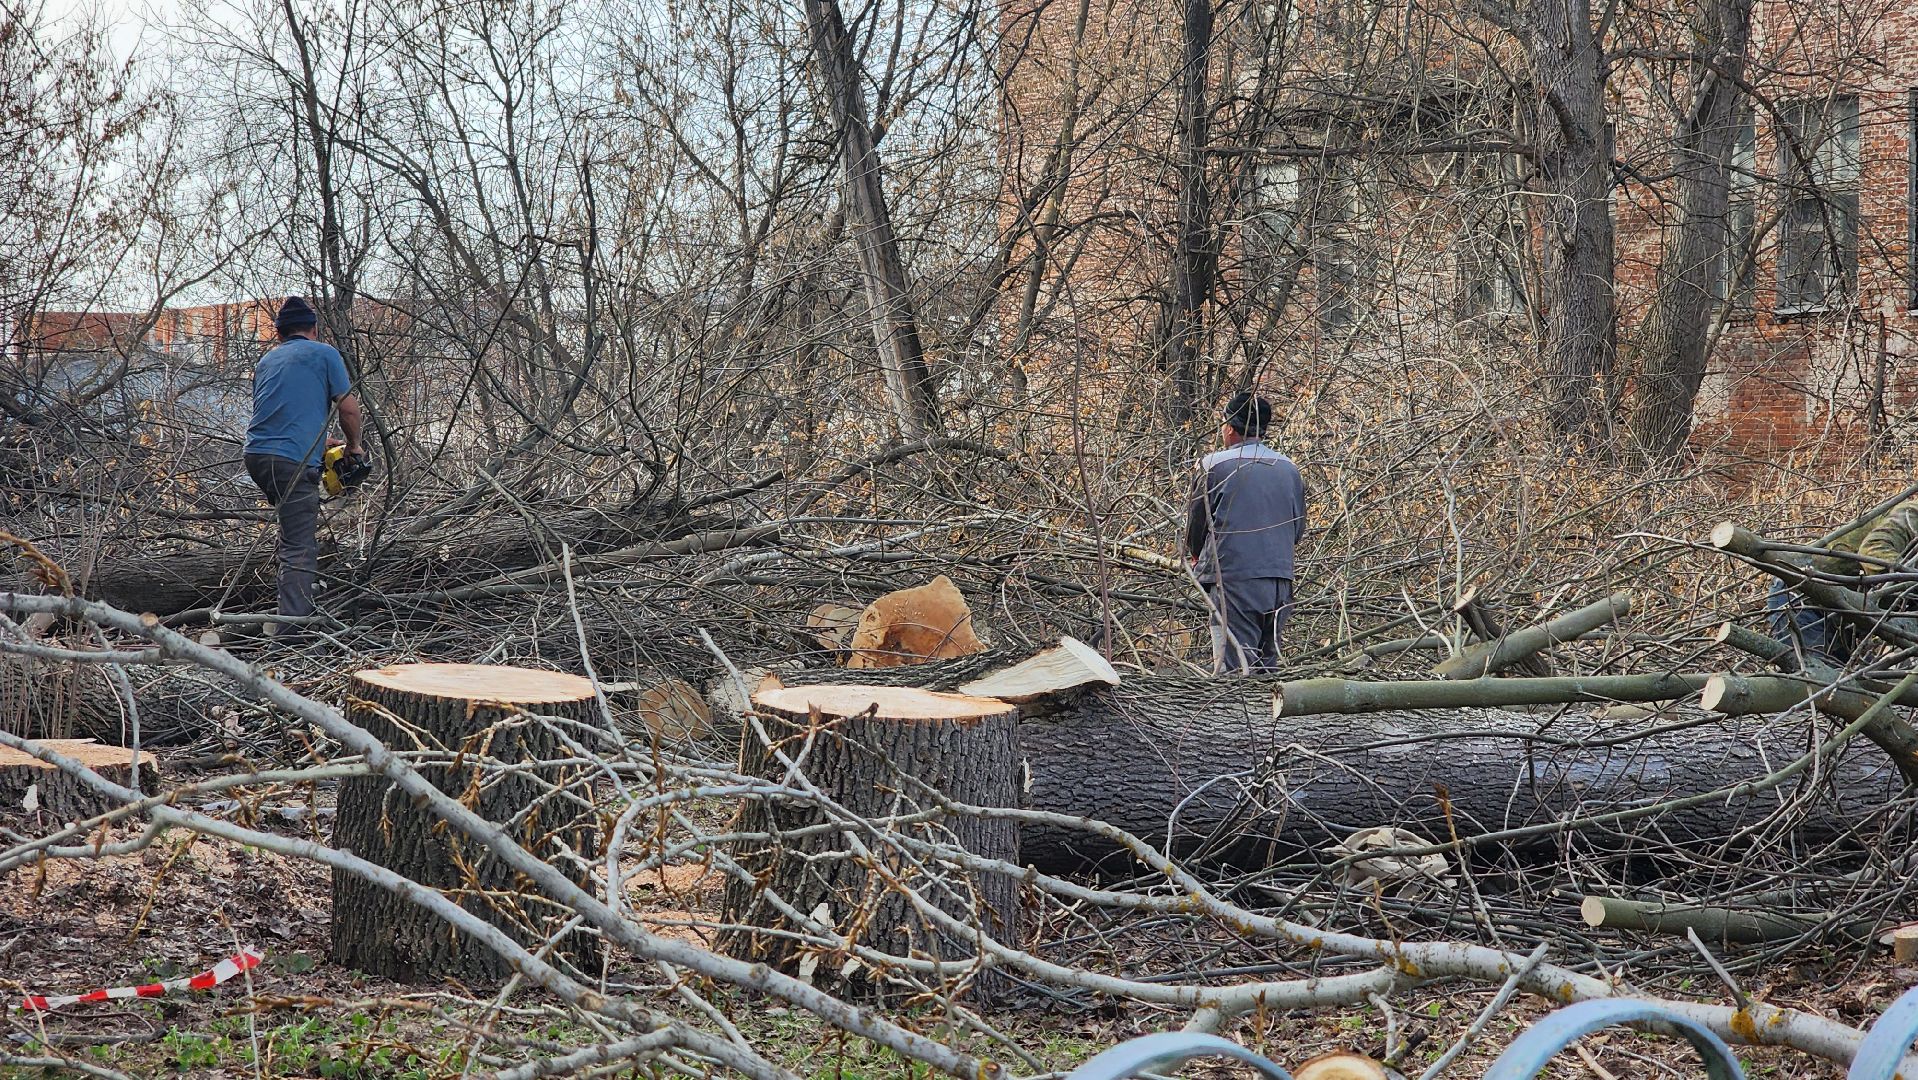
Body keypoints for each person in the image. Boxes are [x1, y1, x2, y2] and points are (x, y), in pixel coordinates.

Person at [243, 296, 362, 628]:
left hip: (256, 455)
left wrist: (321, 443)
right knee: (299, 546)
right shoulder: (325, 353)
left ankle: (286, 610)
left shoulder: (267, 362)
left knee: (290, 530)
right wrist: (354, 446)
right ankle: (292, 633)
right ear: (314, 329)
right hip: (289, 460)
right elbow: (349, 409)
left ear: (279, 335)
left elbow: (278, 415)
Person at [1185, 391, 1307, 673]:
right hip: (1280, 578)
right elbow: (1297, 529)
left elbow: (1197, 524)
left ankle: (1233, 718)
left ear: (1229, 427)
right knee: (1267, 668)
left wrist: (1196, 558)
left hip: (1234, 577)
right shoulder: (1289, 469)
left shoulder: (1213, 465)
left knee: (1235, 669)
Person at [1768, 492, 1918, 669]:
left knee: (1854, 685)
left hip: (1843, 614)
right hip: (1801, 593)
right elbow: (1873, 550)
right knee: (1817, 680)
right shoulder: (1912, 514)